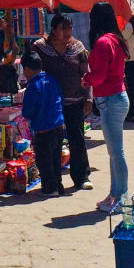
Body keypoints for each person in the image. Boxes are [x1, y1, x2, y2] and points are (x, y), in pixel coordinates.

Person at [33, 13, 93, 191]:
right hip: (50, 105)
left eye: (70, 28)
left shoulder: (78, 47)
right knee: (53, 142)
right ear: (53, 30)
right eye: (63, 28)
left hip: (75, 101)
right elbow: (32, 72)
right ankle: (54, 183)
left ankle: (82, 177)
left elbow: (86, 73)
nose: (68, 32)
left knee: (77, 139)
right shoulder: (40, 48)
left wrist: (89, 97)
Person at [83, 1, 130, 214]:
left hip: (111, 99)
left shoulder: (103, 42)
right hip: (117, 97)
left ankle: (120, 197)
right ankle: (115, 194)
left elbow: (99, 76)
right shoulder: (115, 39)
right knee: (114, 152)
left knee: (116, 152)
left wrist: (86, 79)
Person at [20, 50, 65, 197]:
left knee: (44, 161)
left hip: (43, 129)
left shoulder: (33, 86)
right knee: (56, 158)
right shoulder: (52, 80)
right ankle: (58, 185)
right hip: (58, 126)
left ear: (27, 69)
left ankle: (50, 188)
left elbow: (27, 111)